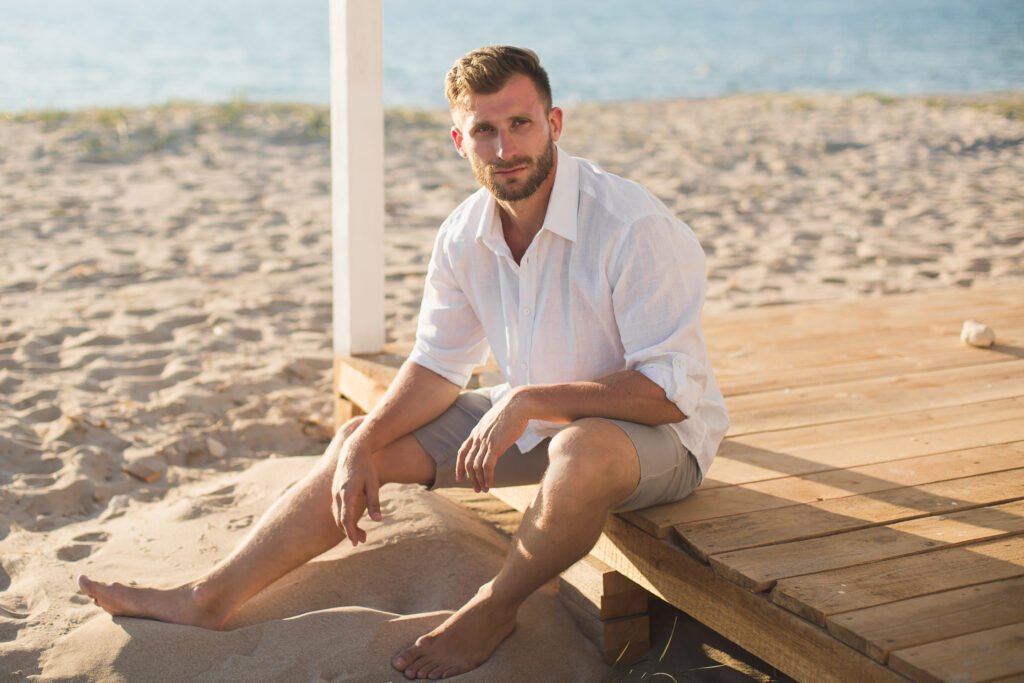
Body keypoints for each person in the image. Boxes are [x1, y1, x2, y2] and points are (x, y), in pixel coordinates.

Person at [79, 45, 729, 680]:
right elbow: (439, 366)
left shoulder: (632, 226)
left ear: (554, 123)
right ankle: (209, 598)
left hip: (659, 440)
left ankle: (494, 608)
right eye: (485, 131)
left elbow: (668, 393)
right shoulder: (464, 233)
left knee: (580, 448)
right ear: (459, 141)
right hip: (535, 421)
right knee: (358, 442)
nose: (505, 148)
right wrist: (365, 439)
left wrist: (530, 399)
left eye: (520, 124)